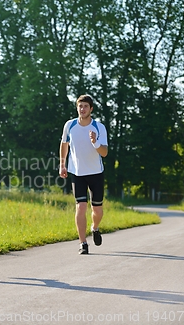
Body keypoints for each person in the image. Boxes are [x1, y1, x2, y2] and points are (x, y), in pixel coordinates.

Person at [59, 94, 108, 254]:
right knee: (80, 207)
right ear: (77, 108)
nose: (82, 109)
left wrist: (95, 142)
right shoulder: (70, 125)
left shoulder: (99, 127)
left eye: (86, 106)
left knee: (98, 210)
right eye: (80, 106)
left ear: (91, 109)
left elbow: (105, 152)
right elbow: (64, 144)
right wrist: (62, 165)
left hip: (96, 173)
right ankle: (83, 243)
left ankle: (95, 227)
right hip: (77, 173)